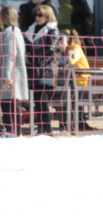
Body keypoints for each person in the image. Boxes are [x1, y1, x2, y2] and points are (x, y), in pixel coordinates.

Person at [25, 4, 60, 134]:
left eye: (40, 15)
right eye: (36, 15)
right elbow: (27, 47)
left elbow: (51, 50)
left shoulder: (53, 30)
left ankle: (46, 128)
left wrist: (32, 55)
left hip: (47, 70)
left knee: (42, 98)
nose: (37, 17)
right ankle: (42, 126)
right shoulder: (31, 29)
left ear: (47, 15)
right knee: (38, 99)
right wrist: (27, 55)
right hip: (34, 69)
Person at [1, 6, 29, 137]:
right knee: (13, 103)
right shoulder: (16, 31)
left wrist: (6, 76)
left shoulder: (8, 32)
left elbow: (9, 55)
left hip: (11, 74)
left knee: (8, 103)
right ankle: (15, 132)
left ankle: (11, 132)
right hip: (16, 72)